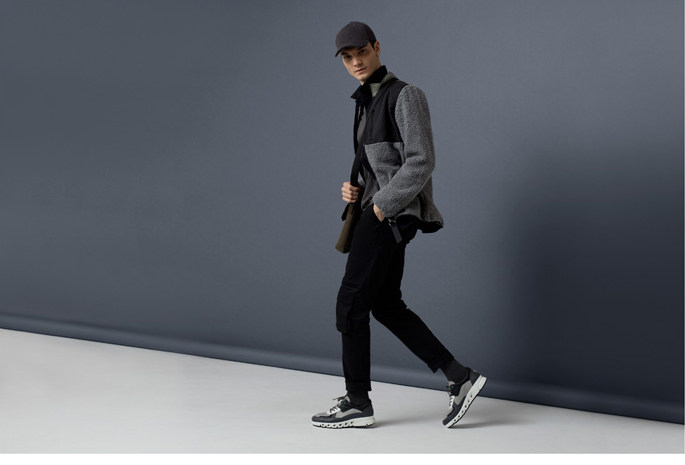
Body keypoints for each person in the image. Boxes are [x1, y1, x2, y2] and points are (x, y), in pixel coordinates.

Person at [311, 22, 487, 429]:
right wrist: (357, 189)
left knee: (351, 304)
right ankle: (459, 376)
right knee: (386, 304)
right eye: (347, 57)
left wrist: (379, 205)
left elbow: (421, 160)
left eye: (361, 52)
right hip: (378, 208)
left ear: (376, 47)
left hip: (389, 214)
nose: (356, 62)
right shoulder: (365, 101)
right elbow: (382, 165)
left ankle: (358, 402)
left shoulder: (405, 94)